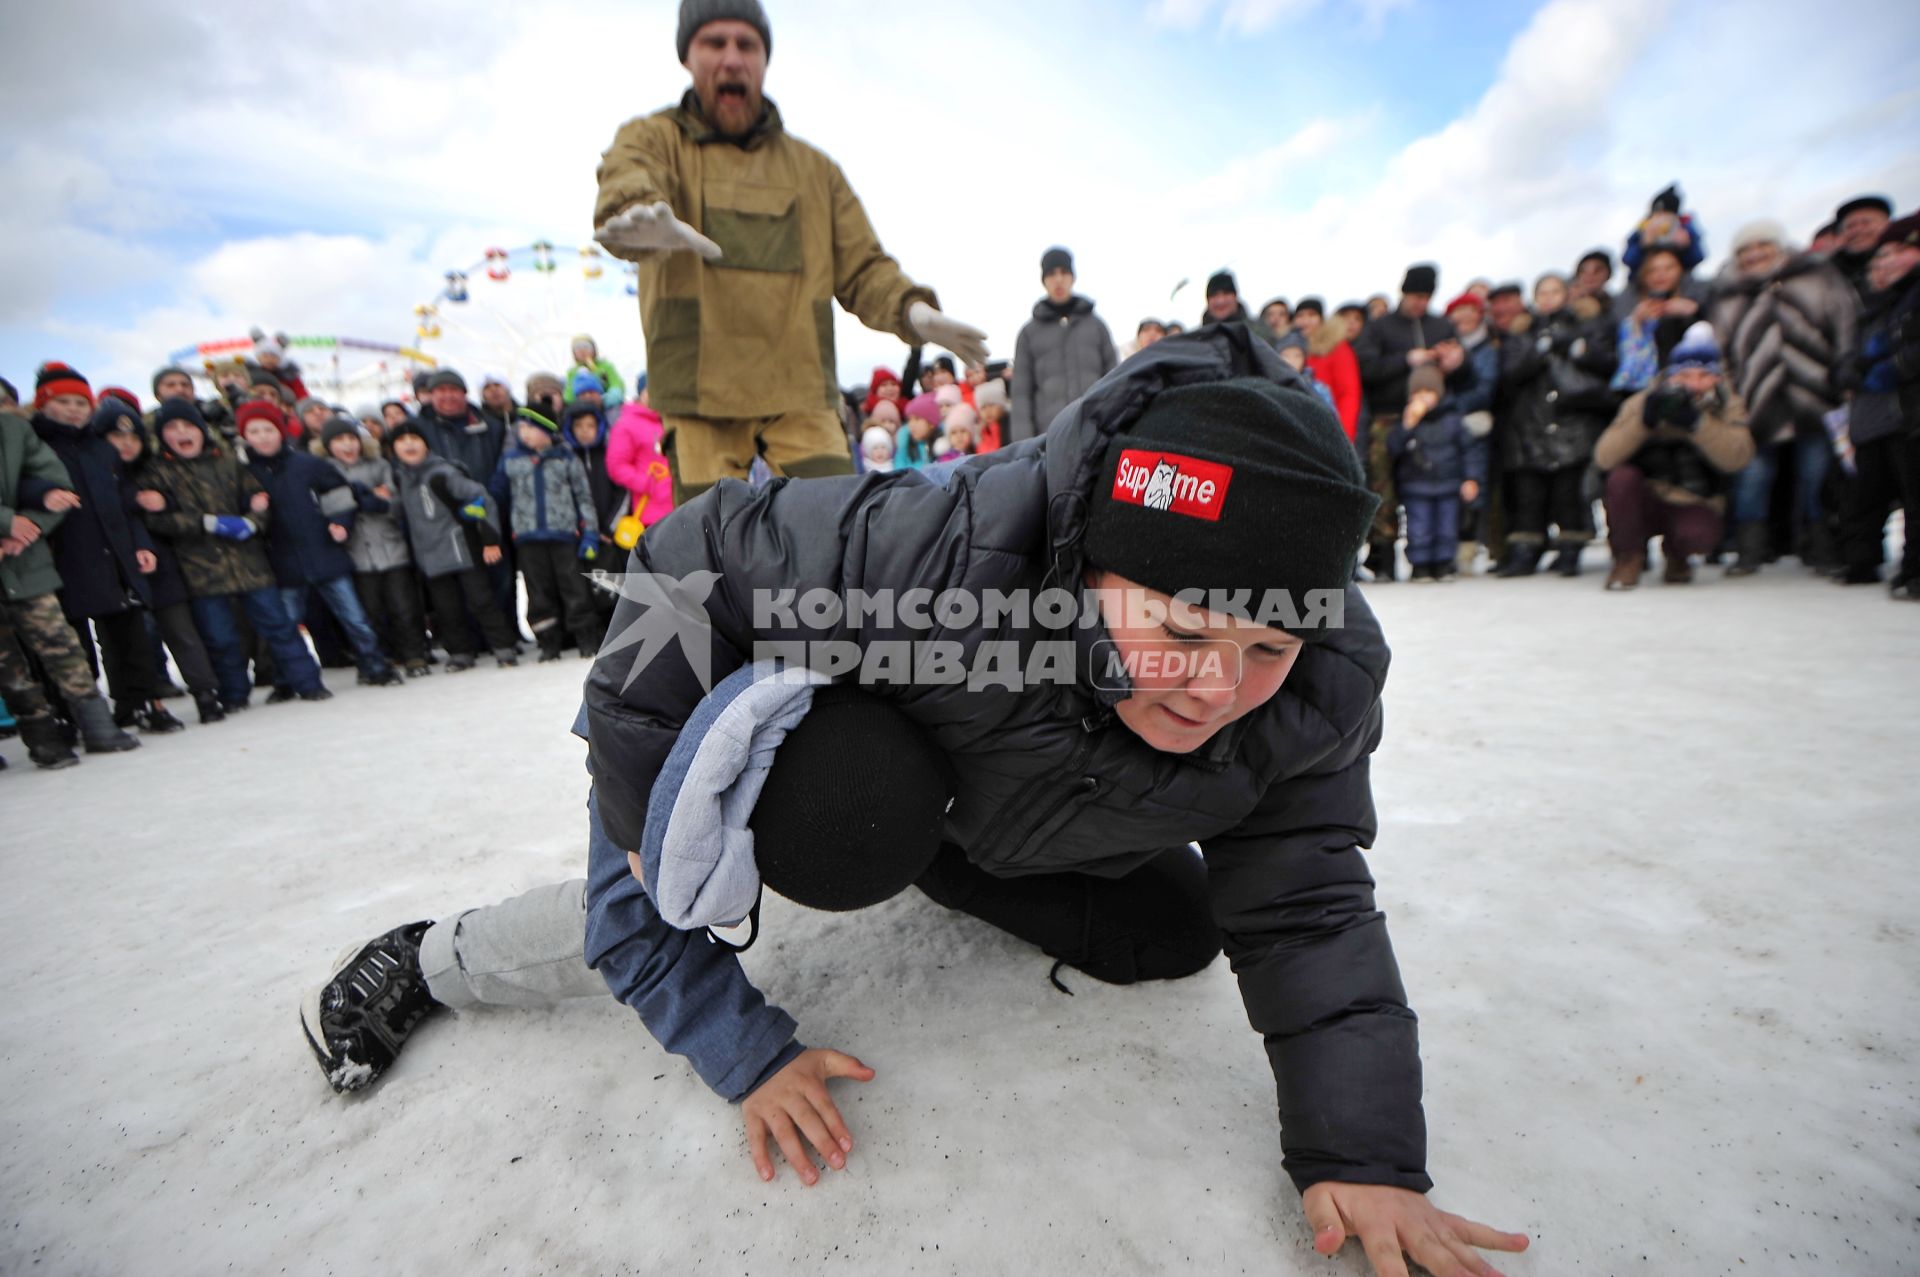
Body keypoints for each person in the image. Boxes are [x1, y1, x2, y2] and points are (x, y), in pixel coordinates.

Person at [302, 325, 1529, 1277]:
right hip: (865, 761)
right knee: (821, 822)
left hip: (1005, 803)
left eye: (1265, 649)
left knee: (1177, 930)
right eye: (1184, 628)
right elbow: (686, 563)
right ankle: (426, 957)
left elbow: (1308, 897)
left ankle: (945, 854)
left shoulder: (1314, 681)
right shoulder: (935, 554)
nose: (1217, 686)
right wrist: (652, 828)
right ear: (1092, 563)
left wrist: (1363, 1157)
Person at [592, 0, 987, 505]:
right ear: (687, 57)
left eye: (747, 44)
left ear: (764, 58)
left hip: (800, 388)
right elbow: (629, 172)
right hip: (697, 390)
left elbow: (864, 266)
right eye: (715, 43)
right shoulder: (654, 138)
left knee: (833, 533)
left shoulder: (813, 171)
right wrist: (634, 209)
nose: (732, 58)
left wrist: (913, 312)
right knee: (708, 554)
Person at [134, 399, 331, 709]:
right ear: (163, 436)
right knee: (221, 638)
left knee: (279, 627)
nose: (183, 433)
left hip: (250, 564)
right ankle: (234, 694)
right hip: (201, 571)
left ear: (202, 431)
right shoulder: (156, 473)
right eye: (173, 428)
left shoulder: (228, 462)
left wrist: (252, 524)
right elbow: (155, 518)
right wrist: (206, 523)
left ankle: (308, 683)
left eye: (189, 426)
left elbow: (258, 499)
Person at [28, 364, 181, 733]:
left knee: (129, 636)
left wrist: (141, 545)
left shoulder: (102, 449)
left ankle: (142, 702)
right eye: (63, 402)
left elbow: (126, 501)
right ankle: (74, 713)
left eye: (81, 402)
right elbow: (18, 486)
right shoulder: (35, 446)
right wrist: (42, 494)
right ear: (44, 404)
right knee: (69, 642)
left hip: (115, 555)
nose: (74, 409)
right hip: (64, 556)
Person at [1707, 219, 1859, 575]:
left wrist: (1845, 371)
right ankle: (1749, 550)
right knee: (1753, 477)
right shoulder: (1728, 294)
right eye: (1746, 250)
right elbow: (1720, 352)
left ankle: (1821, 545)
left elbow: (1846, 323)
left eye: (1763, 246)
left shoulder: (1817, 276)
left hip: (1816, 392)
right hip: (1755, 400)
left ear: (1779, 247)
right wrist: (1729, 397)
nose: (1755, 255)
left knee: (1817, 475)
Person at [238, 405, 401, 692]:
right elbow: (239, 512)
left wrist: (340, 522)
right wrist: (251, 509)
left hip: (325, 553)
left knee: (355, 618)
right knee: (286, 625)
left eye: (268, 430)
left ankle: (374, 665)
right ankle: (287, 679)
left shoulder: (308, 464)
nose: (262, 437)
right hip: (282, 560)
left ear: (281, 432)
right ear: (245, 436)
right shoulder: (244, 473)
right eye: (254, 431)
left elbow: (339, 495)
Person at [1593, 323, 1754, 589]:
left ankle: (1677, 555)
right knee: (1620, 479)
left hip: (1694, 497)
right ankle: (1628, 558)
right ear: (1670, 376)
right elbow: (1604, 457)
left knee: (1697, 535)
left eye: (1704, 376)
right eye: (1685, 376)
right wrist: (1643, 423)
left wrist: (1697, 425)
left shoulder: (1729, 405)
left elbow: (1738, 457)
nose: (1694, 385)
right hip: (1647, 495)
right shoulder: (1643, 401)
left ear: (1717, 378)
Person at [96, 398, 223, 723]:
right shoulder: (97, 477)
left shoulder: (155, 468)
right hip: (118, 571)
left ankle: (206, 694)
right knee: (132, 640)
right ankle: (139, 701)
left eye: (133, 437)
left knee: (181, 631)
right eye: (116, 437)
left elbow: (186, 505)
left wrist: (163, 502)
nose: (126, 443)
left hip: (163, 566)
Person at [1, 405, 110, 765]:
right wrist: (6, 523)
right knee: (7, 664)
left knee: (60, 643)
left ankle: (98, 726)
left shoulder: (15, 431)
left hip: (24, 562)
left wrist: (27, 527)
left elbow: (57, 485)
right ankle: (42, 739)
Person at [1352, 264, 1475, 581]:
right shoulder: (1380, 327)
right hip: (1388, 416)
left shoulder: (1441, 326)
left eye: (1426, 296)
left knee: (1434, 485)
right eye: (1415, 295)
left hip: (1435, 419)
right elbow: (1366, 369)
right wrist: (1406, 359)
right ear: (1404, 293)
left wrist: (1456, 364)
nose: (1420, 302)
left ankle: (1438, 554)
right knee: (1383, 487)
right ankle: (1383, 555)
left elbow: (1466, 377)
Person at [1492, 273, 1617, 578]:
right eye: (1542, 292)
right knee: (1528, 497)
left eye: (1554, 291)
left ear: (1567, 294)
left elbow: (1606, 364)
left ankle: (1570, 550)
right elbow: (1508, 374)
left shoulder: (1587, 325)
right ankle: (1526, 551)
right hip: (1529, 425)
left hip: (1571, 422)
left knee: (1568, 494)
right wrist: (1539, 350)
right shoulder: (1522, 332)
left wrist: (1574, 346)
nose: (1548, 297)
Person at [386, 418, 519, 671]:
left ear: (426, 444)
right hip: (430, 557)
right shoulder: (400, 478)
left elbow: (483, 499)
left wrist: (490, 541)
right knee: (447, 609)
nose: (409, 444)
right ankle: (460, 652)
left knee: (481, 600)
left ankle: (504, 646)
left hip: (462, 549)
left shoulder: (443, 473)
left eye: (414, 438)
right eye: (402, 441)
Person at [1835, 212, 1920, 594]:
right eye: (1880, 258)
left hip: (1904, 413)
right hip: (1871, 417)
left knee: (1912, 492)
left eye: (1899, 251)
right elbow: (1847, 355)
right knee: (1863, 494)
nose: (1885, 264)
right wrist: (1851, 370)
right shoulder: (1872, 308)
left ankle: (1913, 571)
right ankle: (1860, 562)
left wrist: (1893, 367)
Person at [490, 408, 607, 661]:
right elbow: (497, 496)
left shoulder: (565, 458)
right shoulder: (511, 460)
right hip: (527, 537)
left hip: (564, 535)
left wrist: (589, 534)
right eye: (521, 428)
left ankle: (586, 638)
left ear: (545, 431)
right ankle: (548, 642)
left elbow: (583, 497)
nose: (523, 434)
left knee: (574, 588)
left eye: (529, 428)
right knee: (538, 591)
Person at [321, 418, 431, 677]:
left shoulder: (379, 465)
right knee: (371, 611)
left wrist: (375, 499)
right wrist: (356, 499)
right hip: (357, 552)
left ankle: (414, 654)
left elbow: (393, 500)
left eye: (351, 439)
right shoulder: (324, 471)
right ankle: (381, 656)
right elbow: (330, 508)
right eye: (339, 441)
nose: (348, 445)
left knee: (404, 606)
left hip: (391, 547)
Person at [1010, 247, 1118, 445]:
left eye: (1064, 272)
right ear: (1044, 280)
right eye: (1051, 274)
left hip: (1097, 436)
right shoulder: (1028, 334)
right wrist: (1024, 447)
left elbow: (1115, 381)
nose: (1058, 279)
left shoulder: (1096, 326)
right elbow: (1021, 396)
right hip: (1050, 441)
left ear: (1072, 277)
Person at [1387, 366, 1483, 582]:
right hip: (1416, 485)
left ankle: (1444, 563)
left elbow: (1469, 450)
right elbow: (1393, 448)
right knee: (1419, 527)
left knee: (1447, 526)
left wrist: (1471, 478)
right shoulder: (1407, 421)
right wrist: (1406, 426)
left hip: (1448, 483)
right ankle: (1420, 565)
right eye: (1417, 393)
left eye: (1428, 392)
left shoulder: (1452, 420)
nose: (1423, 399)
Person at [607, 381, 677, 539]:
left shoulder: (671, 421)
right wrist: (646, 483)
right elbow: (616, 465)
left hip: (679, 506)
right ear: (641, 393)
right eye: (650, 390)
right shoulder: (627, 424)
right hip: (649, 512)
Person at [1293, 299, 1361, 442]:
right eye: (1300, 316)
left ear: (1321, 319)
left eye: (1311, 315)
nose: (1305, 321)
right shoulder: (1286, 348)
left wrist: (1344, 437)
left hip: (1329, 428)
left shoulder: (1337, 348)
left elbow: (1349, 395)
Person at [1829, 195, 1893, 299]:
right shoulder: (1830, 273)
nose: (1857, 230)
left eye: (1866, 223)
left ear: (1888, 224)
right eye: (1850, 226)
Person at [565, 337, 627, 410]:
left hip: (608, 406)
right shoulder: (572, 372)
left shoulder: (605, 366)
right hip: (582, 409)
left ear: (594, 350)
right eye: (577, 348)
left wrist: (607, 399)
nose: (582, 350)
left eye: (586, 346)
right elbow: (569, 395)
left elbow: (616, 384)